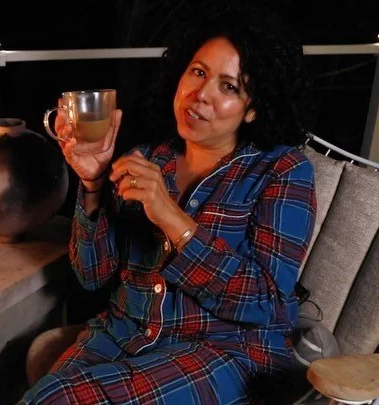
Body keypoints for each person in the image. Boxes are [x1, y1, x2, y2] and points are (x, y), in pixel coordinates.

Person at [21, 3, 317, 404]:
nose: (200, 95)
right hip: (125, 335)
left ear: (253, 110)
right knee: (45, 394)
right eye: (198, 72)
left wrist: (172, 218)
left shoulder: (282, 170)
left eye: (229, 87)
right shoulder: (147, 159)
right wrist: (91, 182)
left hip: (226, 351)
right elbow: (92, 276)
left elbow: (267, 302)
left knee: (56, 397)